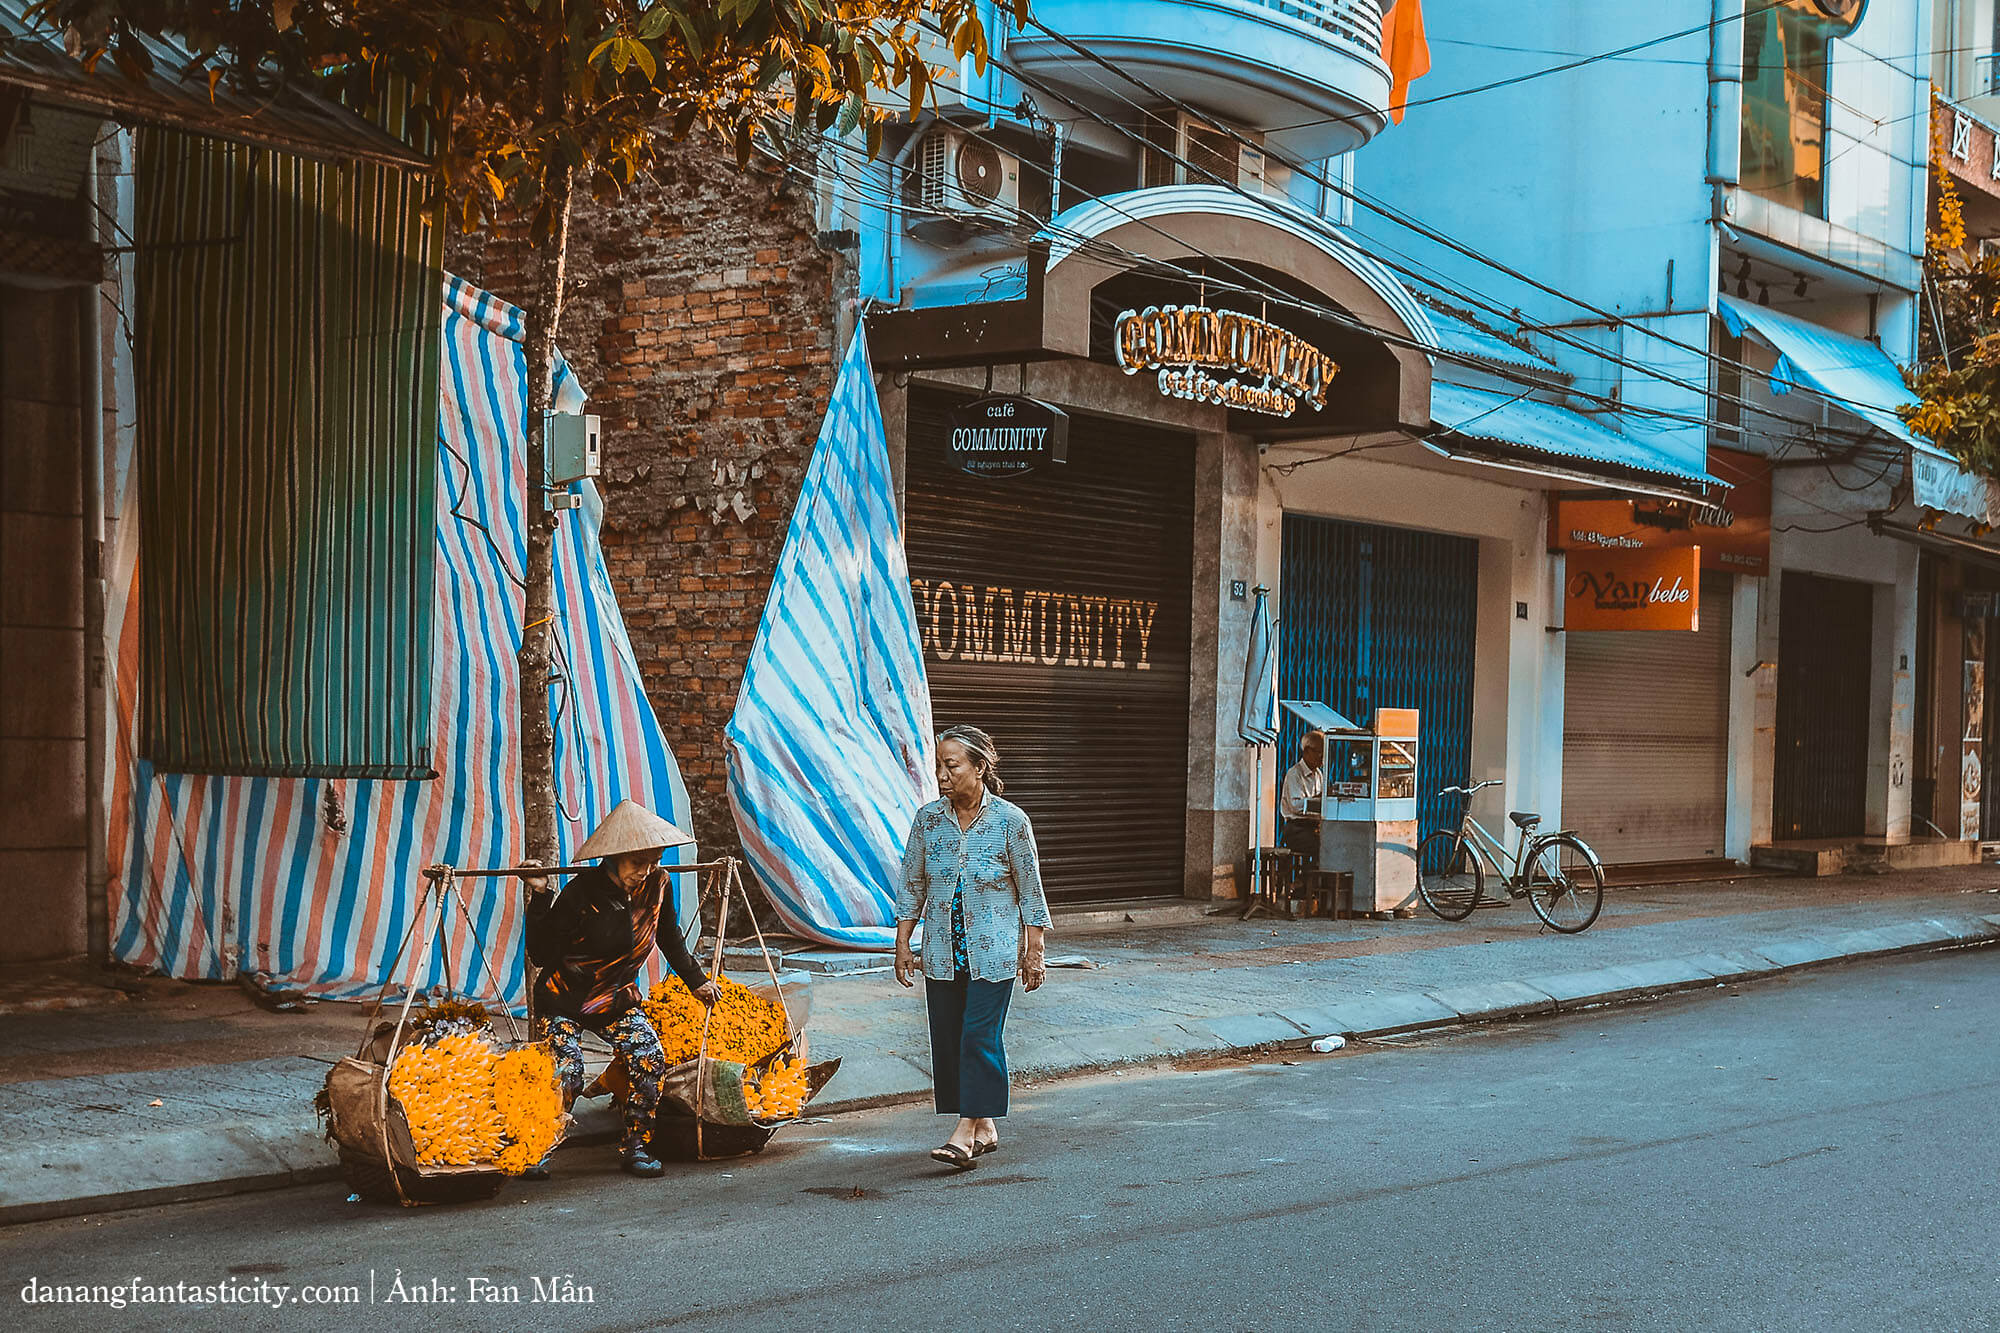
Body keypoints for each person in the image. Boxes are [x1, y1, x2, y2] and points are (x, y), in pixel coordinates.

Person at [522, 799, 720, 1178]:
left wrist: (697, 981)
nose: (644, 872)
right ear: (613, 858)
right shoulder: (581, 893)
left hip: (615, 999)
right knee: (567, 1073)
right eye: (636, 863)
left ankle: (636, 1146)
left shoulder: (658, 885)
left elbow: (670, 937)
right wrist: (541, 896)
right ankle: (535, 1148)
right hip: (564, 999)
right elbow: (541, 953)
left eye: (653, 862)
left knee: (650, 1058)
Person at [894, 725, 1052, 1171]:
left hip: (994, 953)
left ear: (980, 768)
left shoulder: (1010, 821)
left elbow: (1031, 889)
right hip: (942, 951)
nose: (942, 775)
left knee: (977, 1037)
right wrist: (903, 943)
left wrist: (1034, 951)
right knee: (949, 1039)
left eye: (952, 765)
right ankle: (986, 1127)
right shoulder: (928, 820)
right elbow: (912, 884)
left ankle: (964, 1134)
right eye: (938, 766)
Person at [1279, 729, 1326, 862]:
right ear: (1307, 751)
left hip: (1314, 827)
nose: (1322, 757)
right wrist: (1317, 800)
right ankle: (1309, 874)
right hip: (1297, 829)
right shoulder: (1294, 774)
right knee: (1321, 847)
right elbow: (1295, 806)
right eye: (1319, 752)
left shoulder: (1318, 774)